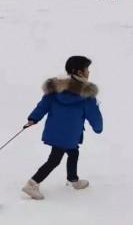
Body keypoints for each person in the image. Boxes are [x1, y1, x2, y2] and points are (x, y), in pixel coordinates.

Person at [21, 56, 103, 200]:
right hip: (69, 135)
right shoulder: (86, 95)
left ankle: (73, 180)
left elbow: (43, 105)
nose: (89, 72)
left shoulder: (56, 90)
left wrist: (33, 118)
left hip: (56, 132)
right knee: (54, 160)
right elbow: (94, 115)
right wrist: (98, 127)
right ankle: (32, 184)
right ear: (79, 72)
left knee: (73, 153)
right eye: (87, 69)